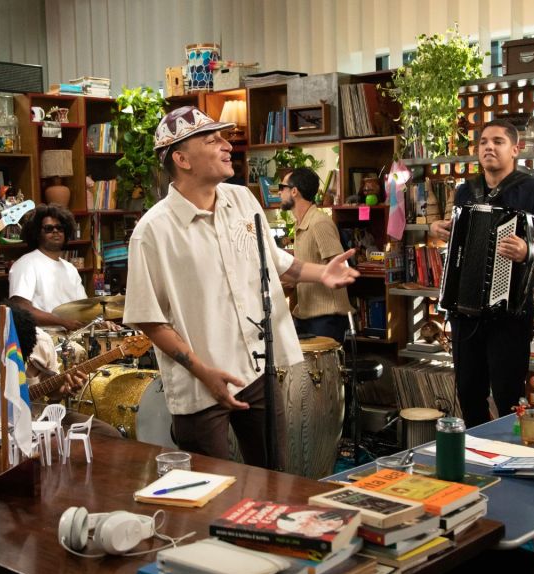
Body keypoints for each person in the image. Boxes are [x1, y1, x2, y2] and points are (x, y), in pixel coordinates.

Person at [123, 106, 359, 467]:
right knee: (210, 492)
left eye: (223, 138)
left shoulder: (243, 200)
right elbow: (149, 320)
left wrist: (321, 273)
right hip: (199, 386)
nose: (226, 145)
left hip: (255, 371)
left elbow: (275, 261)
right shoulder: (152, 232)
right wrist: (205, 374)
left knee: (274, 477)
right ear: (182, 158)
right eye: (212, 139)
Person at [430, 119, 534, 427]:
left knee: (507, 394)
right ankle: (477, 461)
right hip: (465, 310)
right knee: (469, 393)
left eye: (498, 141)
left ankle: (512, 459)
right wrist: (437, 229)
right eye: (484, 142)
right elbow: (458, 239)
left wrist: (527, 252)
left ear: (515, 149)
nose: (489, 147)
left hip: (510, 313)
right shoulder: (466, 191)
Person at [0, 303, 119, 438]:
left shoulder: (40, 343)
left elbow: (51, 396)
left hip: (35, 419)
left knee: (108, 435)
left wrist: (64, 389)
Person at [279, 167, 354, 343]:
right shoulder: (301, 225)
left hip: (326, 316)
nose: (279, 192)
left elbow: (340, 269)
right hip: (306, 314)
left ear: (294, 191)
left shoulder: (319, 223)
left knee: (325, 371)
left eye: (282, 187)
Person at [9, 204, 88, 331]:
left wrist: (99, 322)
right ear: (37, 233)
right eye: (48, 228)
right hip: (43, 338)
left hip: (73, 336)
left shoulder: (70, 268)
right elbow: (20, 308)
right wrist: (62, 322)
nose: (55, 231)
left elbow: (84, 308)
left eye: (60, 228)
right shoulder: (26, 263)